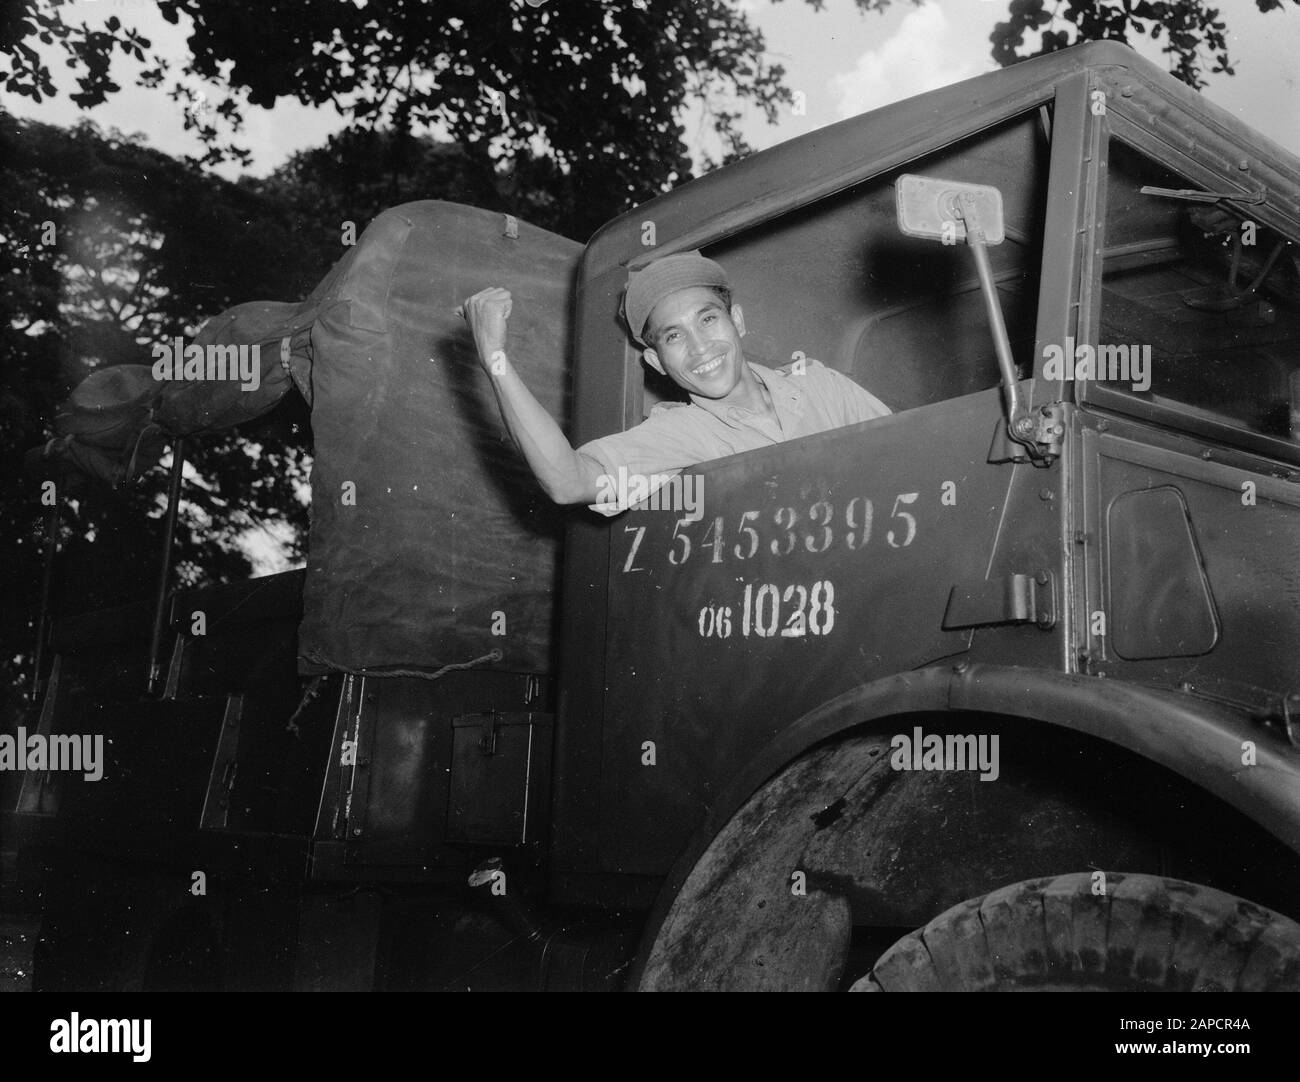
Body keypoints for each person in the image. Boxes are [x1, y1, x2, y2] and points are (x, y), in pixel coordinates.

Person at [461, 250, 891, 514]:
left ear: (736, 321)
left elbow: (909, 460)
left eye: (707, 319)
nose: (700, 346)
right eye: (674, 336)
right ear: (656, 361)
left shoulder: (819, 385)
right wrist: (494, 358)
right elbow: (569, 481)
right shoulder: (677, 435)